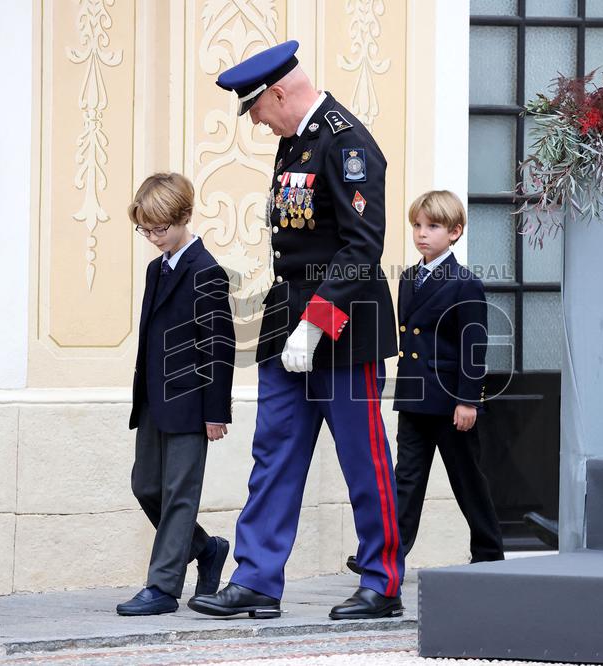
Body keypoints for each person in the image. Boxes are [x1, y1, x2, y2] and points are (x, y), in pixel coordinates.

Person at [189, 40, 404, 621]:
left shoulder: (346, 141)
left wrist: (316, 325)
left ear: (279, 93)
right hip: (288, 322)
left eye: (258, 110)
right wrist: (292, 327)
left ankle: (383, 581)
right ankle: (258, 579)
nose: (257, 123)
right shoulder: (296, 142)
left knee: (364, 458)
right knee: (274, 451)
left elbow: (362, 247)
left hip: (342, 327)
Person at [346, 191, 504, 575]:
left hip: (452, 402)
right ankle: (387, 556)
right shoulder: (410, 277)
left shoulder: (464, 284)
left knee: (467, 479)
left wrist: (468, 400)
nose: (421, 234)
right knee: (406, 481)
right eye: (417, 225)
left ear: (454, 232)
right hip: (415, 398)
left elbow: (472, 346)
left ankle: (489, 552)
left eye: (432, 227)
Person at [119, 173, 235, 616]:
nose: (151, 238)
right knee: (146, 486)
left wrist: (215, 411)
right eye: (144, 230)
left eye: (158, 229)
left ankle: (163, 587)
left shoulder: (207, 271)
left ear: (183, 217)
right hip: (152, 400)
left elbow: (219, 346)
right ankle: (206, 549)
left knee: (179, 493)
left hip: (191, 402)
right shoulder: (157, 268)